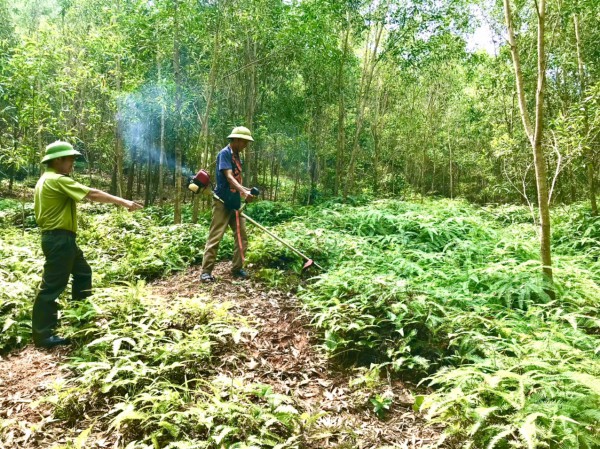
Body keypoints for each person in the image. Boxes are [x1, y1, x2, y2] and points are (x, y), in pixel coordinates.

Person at [32, 141, 142, 348]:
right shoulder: (56, 179)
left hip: (61, 239)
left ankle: (81, 317)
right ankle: (43, 336)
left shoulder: (45, 179)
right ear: (58, 160)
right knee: (51, 287)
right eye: (70, 159)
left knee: (83, 273)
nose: (72, 163)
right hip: (59, 239)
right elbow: (91, 194)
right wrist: (124, 202)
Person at [200, 126, 256, 282]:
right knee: (215, 236)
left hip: (235, 202)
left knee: (241, 237)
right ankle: (206, 272)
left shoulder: (237, 157)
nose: (246, 145)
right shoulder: (224, 154)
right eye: (244, 142)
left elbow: (236, 182)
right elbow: (229, 177)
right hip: (222, 202)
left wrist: (247, 190)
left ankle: (237, 268)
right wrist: (244, 192)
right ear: (236, 140)